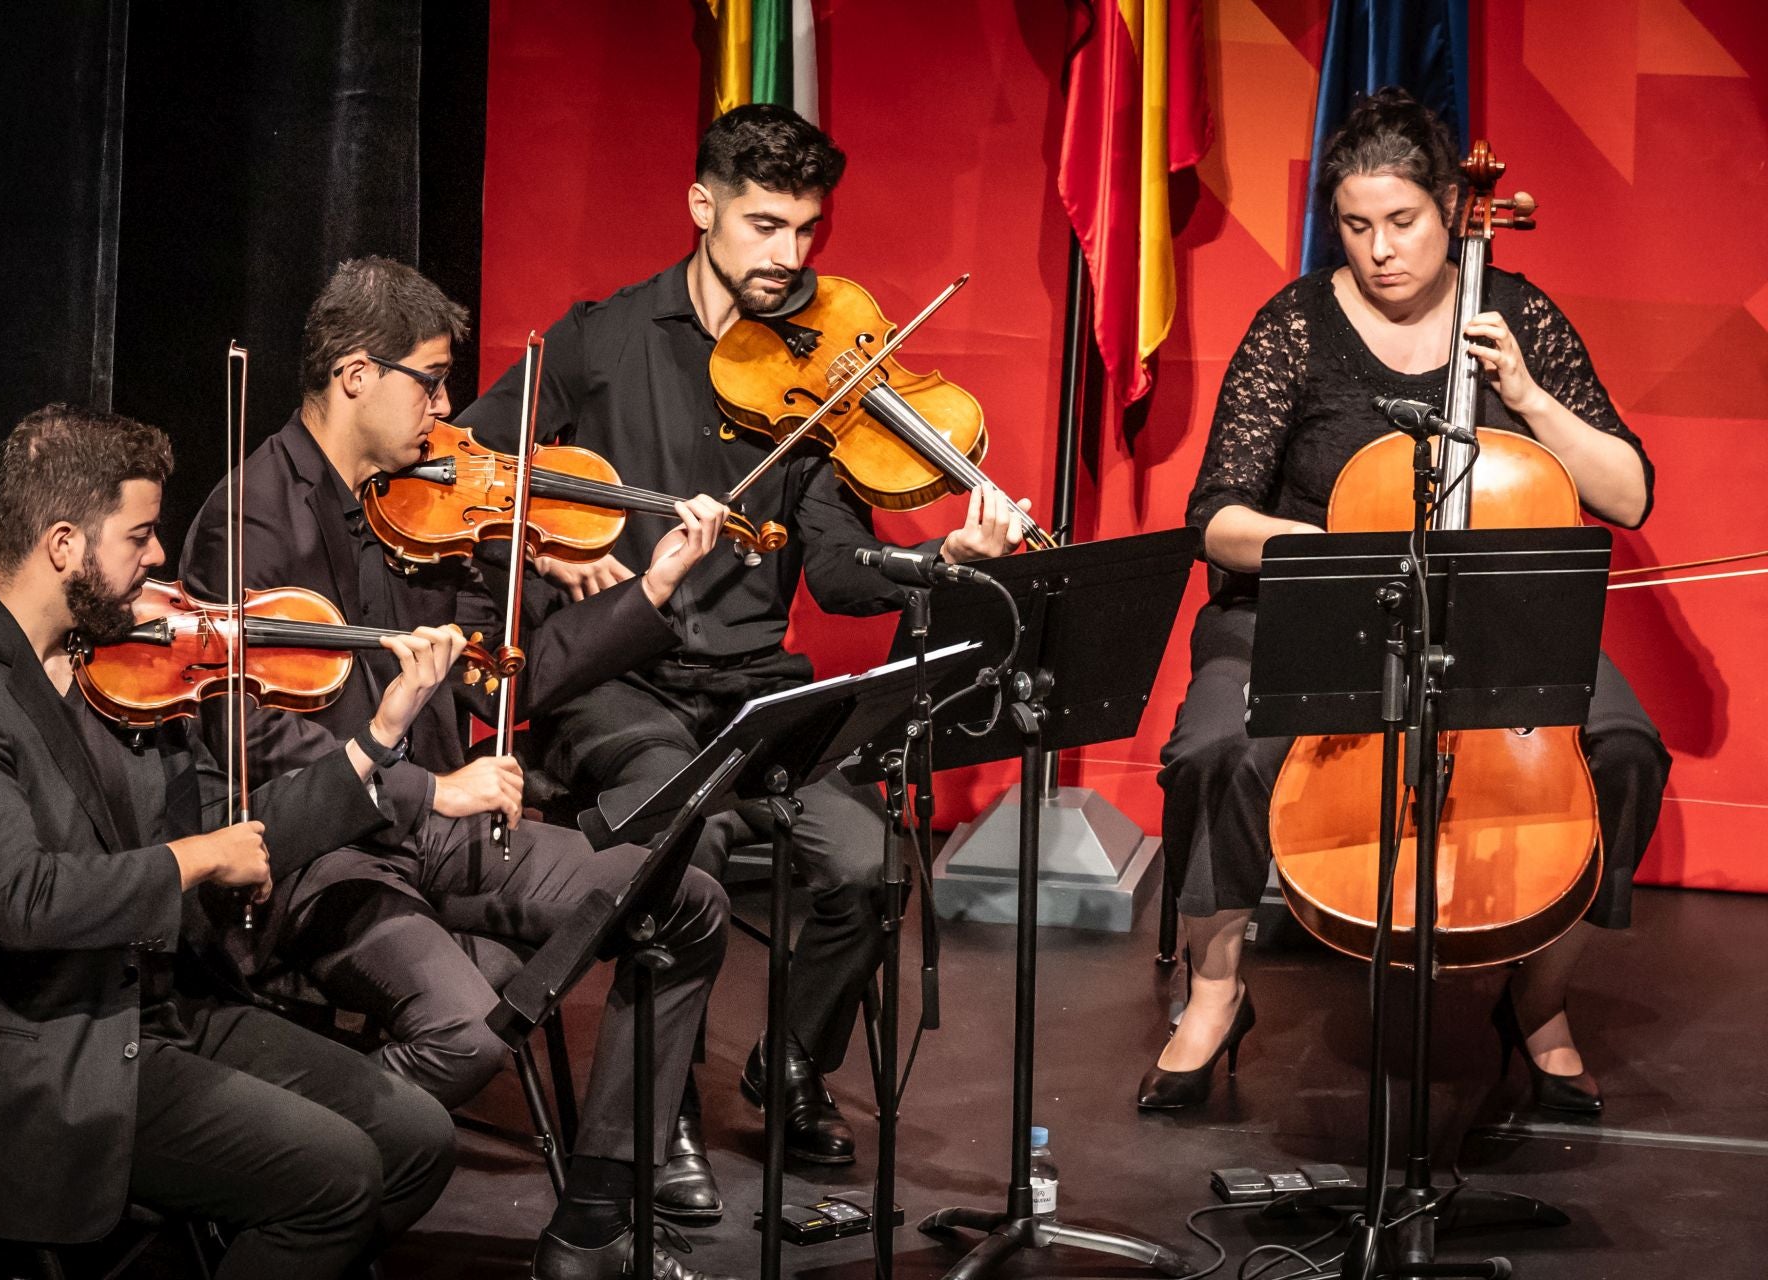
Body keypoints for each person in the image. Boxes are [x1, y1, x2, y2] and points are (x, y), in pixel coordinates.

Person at [454, 103, 1028, 1217]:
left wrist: (939, 556)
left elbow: (837, 570)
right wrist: (547, 552)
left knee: (869, 866)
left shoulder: (811, 372)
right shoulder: (598, 341)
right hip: (624, 680)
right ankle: (658, 1111)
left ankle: (791, 1062)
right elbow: (472, 471)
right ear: (702, 206)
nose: (789, 258)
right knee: (690, 850)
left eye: (806, 232)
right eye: (765, 225)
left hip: (757, 688)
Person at [181, 256, 742, 1280]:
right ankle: (301, 1170)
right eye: (430, 382)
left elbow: (501, 685)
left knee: (686, 895)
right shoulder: (250, 515)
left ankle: (592, 1226)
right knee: (467, 1032)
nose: (449, 409)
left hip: (451, 831)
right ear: (355, 374)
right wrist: (427, 788)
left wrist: (647, 595)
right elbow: (256, 753)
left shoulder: (427, 509)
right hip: (332, 852)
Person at [1143, 88, 1668, 1113]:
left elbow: (1628, 490)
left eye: (1403, 221)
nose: (1380, 249)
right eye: (1355, 224)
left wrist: (1528, 397)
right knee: (1213, 749)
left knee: (1622, 745)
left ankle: (1539, 993)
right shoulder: (1295, 326)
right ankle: (1214, 991)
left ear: (1447, 211)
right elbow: (1217, 514)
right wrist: (1342, 546)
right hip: (1306, 608)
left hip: (1490, 617)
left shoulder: (1516, 315)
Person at [0, 404, 461, 1276]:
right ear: (63, 544)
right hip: (41, 1057)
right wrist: (197, 859)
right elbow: (27, 900)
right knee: (333, 1180)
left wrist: (372, 742)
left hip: (155, 1012)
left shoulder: (111, 673)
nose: (158, 560)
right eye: (140, 536)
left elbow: (235, 836)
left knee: (417, 1136)